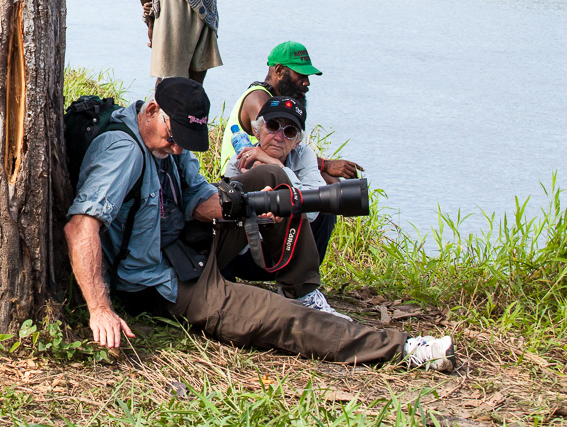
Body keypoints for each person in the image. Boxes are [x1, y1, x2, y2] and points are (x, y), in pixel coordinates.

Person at [64, 77, 456, 370]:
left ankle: (303, 289)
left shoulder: (168, 143)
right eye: (173, 137)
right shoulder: (123, 152)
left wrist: (247, 206)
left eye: (186, 139)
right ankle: (405, 349)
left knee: (272, 181)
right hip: (158, 281)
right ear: (151, 110)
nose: (178, 147)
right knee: (275, 317)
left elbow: (201, 202)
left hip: (186, 245)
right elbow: (80, 226)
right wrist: (99, 308)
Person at [219, 41, 362, 260]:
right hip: (247, 174)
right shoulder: (260, 99)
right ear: (279, 71)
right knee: (315, 187)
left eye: (290, 130)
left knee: (326, 193)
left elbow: (282, 151)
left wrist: (325, 174)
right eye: (300, 75)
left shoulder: (277, 103)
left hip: (273, 168)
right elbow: (273, 146)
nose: (306, 83)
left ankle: (305, 271)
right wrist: (327, 166)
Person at [219, 96, 347, 315]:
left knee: (325, 206)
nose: (279, 137)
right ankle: (225, 286)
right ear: (257, 131)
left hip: (288, 249)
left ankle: (299, 287)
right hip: (250, 253)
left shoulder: (302, 155)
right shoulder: (238, 162)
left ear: (296, 141)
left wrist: (277, 167)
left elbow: (315, 207)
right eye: (273, 126)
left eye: (288, 132)